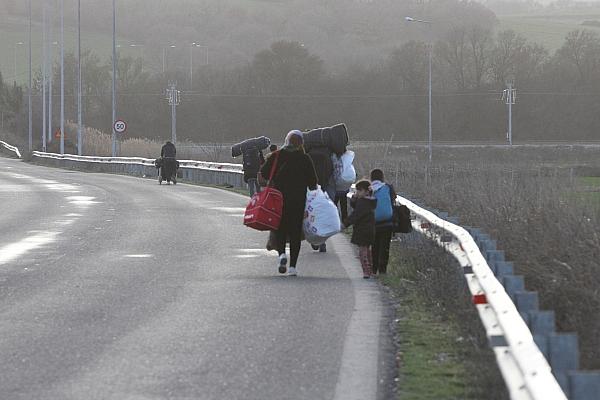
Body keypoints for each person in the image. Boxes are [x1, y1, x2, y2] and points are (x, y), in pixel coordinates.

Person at [259, 130, 318, 276]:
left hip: (278, 200)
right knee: (295, 232)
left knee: (280, 229)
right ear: (301, 143)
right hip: (298, 201)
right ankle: (292, 267)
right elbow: (313, 183)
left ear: (287, 140)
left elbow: (265, 173)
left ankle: (281, 256)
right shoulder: (305, 158)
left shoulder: (277, 156)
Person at [342, 179, 377, 279]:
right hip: (369, 230)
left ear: (366, 191)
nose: (357, 193)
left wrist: (345, 224)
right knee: (367, 251)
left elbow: (356, 214)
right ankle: (371, 270)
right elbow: (357, 207)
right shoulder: (369, 202)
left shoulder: (363, 203)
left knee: (362, 253)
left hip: (363, 230)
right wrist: (354, 199)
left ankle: (366, 271)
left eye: (359, 191)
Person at [307, 145, 334, 252]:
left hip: (310, 190)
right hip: (323, 188)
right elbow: (331, 171)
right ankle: (322, 242)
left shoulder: (307, 156)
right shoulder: (326, 156)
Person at [371, 168, 397, 275]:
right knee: (385, 247)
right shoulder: (388, 187)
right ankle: (383, 270)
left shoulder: (369, 188)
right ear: (382, 178)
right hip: (387, 222)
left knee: (375, 246)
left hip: (374, 223)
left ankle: (374, 268)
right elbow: (393, 200)